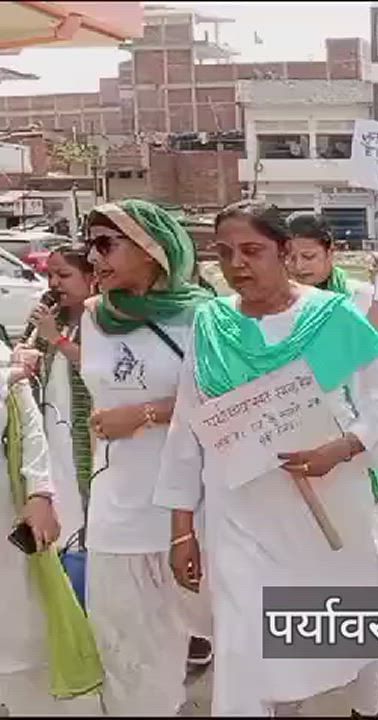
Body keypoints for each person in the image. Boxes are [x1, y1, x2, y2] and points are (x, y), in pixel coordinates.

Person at [155, 200, 378, 716]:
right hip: (239, 515)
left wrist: (342, 448)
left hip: (327, 512)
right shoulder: (210, 324)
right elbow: (187, 430)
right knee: (244, 652)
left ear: (285, 252)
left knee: (343, 637)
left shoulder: (330, 317)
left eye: (252, 250)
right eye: (225, 253)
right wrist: (182, 529)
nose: (237, 264)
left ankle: (366, 702)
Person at [78, 199, 214, 714]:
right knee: (127, 651)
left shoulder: (205, 317)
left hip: (194, 509)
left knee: (225, 638)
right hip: (117, 509)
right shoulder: (93, 316)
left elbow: (229, 402)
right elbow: (99, 401)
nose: (94, 256)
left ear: (153, 249)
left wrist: (145, 413)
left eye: (107, 243)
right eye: (90, 244)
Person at [285, 210, 378, 584]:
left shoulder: (361, 298)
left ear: (329, 253)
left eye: (308, 257)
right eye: (290, 257)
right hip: (305, 436)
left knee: (370, 542)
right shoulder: (280, 307)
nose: (299, 267)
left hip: (360, 437)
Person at [0, 339, 103, 715]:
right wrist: (9, 376)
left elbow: (29, 421)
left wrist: (40, 491)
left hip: (8, 515)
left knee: (25, 642)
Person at [21, 242, 97, 536]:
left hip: (88, 436)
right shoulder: (55, 316)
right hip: (53, 429)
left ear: (91, 277)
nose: (54, 284)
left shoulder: (105, 318)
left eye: (63, 275)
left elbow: (101, 371)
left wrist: (56, 339)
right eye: (51, 276)